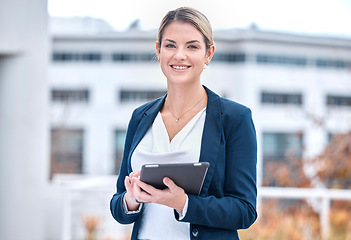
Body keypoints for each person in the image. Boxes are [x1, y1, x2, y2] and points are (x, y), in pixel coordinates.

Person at [110, 7, 257, 240]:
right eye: (170, 45)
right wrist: (131, 199)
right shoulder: (140, 117)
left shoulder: (234, 118)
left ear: (209, 54)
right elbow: (119, 204)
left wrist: (184, 203)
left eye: (192, 46)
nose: (179, 55)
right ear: (158, 51)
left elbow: (244, 211)